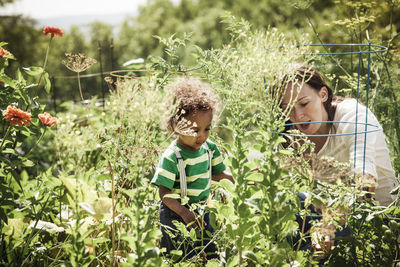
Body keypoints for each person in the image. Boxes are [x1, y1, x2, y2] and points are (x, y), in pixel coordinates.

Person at [280, 64, 399, 256]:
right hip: (328, 214)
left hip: (376, 218)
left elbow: (365, 182)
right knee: (284, 204)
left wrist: (328, 225)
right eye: (288, 108)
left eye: (303, 103)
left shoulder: (353, 116)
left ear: (323, 94)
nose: (298, 116)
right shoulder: (291, 134)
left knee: (312, 256)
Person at [151, 78, 234, 262]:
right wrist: (184, 213)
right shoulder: (172, 156)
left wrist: (239, 180)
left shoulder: (209, 148)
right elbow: (164, 192)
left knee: (210, 251)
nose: (202, 136)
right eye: (195, 130)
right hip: (175, 213)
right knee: (180, 255)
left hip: (201, 210)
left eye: (207, 129)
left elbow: (218, 174)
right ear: (175, 125)